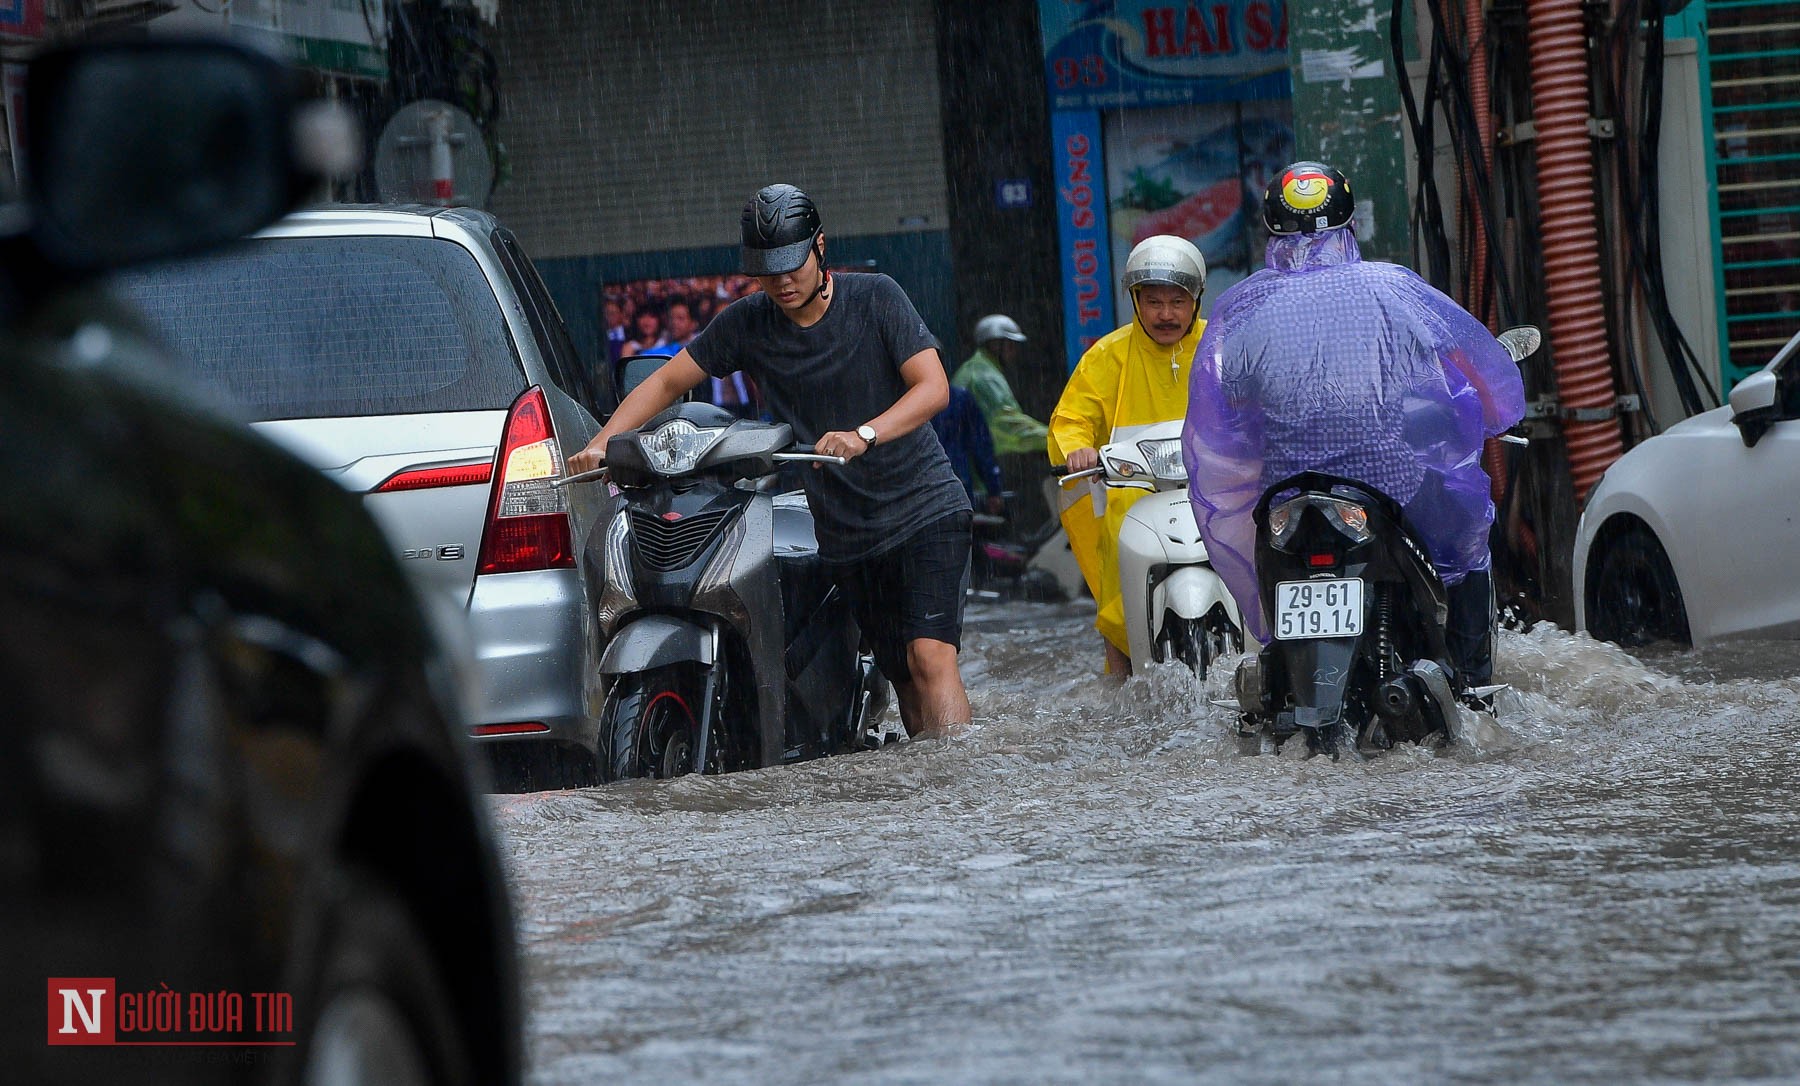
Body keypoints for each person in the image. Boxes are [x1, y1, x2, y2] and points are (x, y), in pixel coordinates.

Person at [568, 183, 974, 739]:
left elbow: (933, 388)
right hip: (847, 533)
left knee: (931, 659)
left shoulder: (878, 297)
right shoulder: (747, 322)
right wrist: (604, 441)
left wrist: (865, 433)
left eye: (792, 264)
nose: (782, 281)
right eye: (766, 269)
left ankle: (961, 788)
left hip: (925, 511)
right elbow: (666, 379)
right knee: (902, 674)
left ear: (820, 248)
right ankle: (935, 792)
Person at [1182, 160, 1527, 688]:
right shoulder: (1394, 289)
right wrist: (1492, 413)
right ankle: (1475, 685)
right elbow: (1474, 366)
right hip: (1389, 483)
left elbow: (1220, 409)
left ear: (1270, 229)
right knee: (1468, 547)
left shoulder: (1243, 306)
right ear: (1348, 224)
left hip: (1281, 495)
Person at [1048, 235, 1208, 677]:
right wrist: (1076, 449)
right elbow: (1071, 418)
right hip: (1132, 501)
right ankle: (1121, 688)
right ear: (1135, 302)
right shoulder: (1107, 355)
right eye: (1153, 301)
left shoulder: (1219, 349)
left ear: (1196, 300)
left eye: (1177, 301)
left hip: (1212, 494)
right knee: (1117, 607)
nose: (1166, 314)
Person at [953, 314, 1050, 456]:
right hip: (971, 461)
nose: (1014, 351)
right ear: (995, 344)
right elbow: (1010, 424)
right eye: (1010, 345)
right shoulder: (984, 376)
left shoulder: (976, 368)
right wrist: (1056, 439)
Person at [932, 383, 1007, 516]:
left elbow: (980, 444)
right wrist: (993, 488)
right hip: (955, 485)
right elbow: (981, 445)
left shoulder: (900, 403)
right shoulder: (956, 397)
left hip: (924, 492)